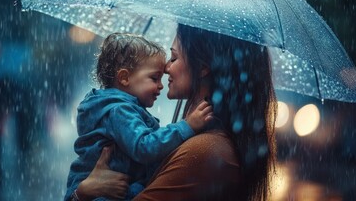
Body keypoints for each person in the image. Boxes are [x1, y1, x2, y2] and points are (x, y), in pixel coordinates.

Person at [73, 25, 277, 201]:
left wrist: (81, 195)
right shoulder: (206, 144)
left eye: (174, 57)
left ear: (203, 66)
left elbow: (145, 149)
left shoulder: (205, 151)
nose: (167, 68)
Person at [65, 33, 213, 201]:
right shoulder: (119, 111)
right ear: (124, 78)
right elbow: (144, 147)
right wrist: (187, 127)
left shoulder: (120, 107)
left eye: (173, 58)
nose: (160, 85)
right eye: (154, 78)